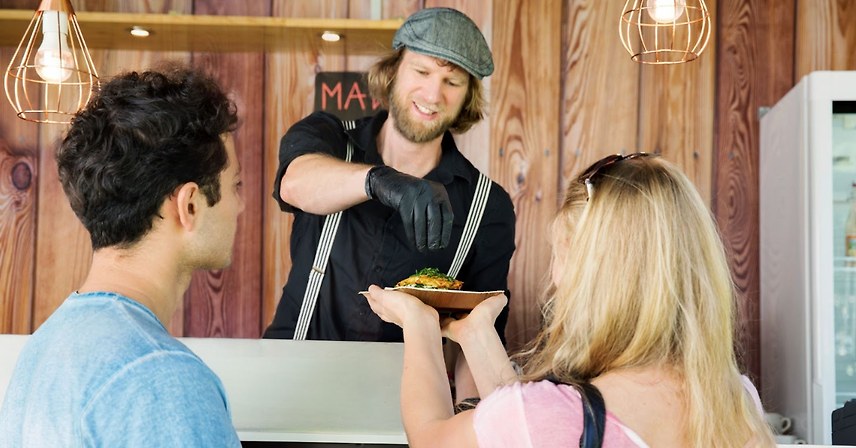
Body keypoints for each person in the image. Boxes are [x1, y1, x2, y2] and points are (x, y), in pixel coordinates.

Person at [365, 154, 777, 447]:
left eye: (559, 256)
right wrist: (476, 334)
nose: (555, 277)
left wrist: (418, 323)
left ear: (594, 278)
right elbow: (526, 428)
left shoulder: (558, 414)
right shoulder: (735, 401)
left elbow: (431, 438)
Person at [264, 7, 516, 403]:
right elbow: (295, 184)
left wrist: (468, 417)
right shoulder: (330, 138)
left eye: (452, 81)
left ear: (467, 95)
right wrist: (378, 180)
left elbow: (478, 337)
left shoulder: (488, 207)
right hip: (289, 381)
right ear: (393, 70)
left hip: (405, 404)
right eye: (421, 71)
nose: (433, 95)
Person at [0, 64, 244, 447]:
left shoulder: (45, 349)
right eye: (236, 186)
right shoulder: (160, 377)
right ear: (190, 206)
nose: (240, 206)